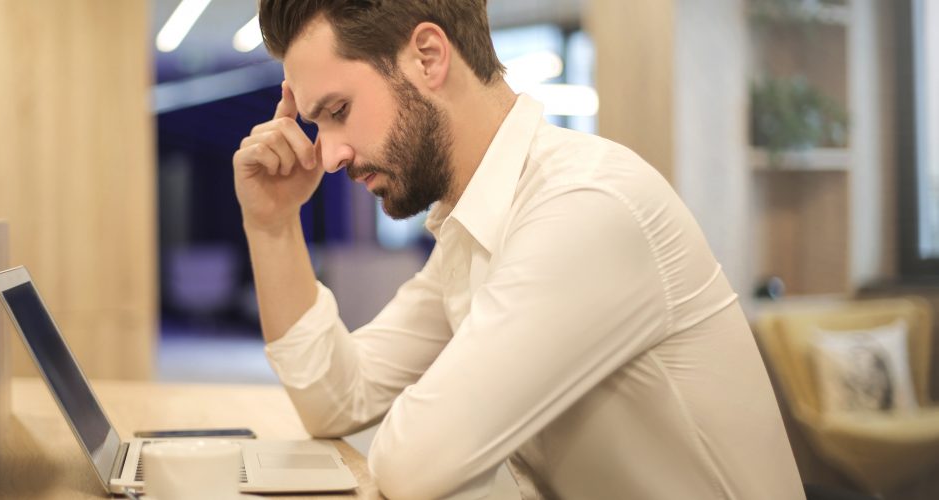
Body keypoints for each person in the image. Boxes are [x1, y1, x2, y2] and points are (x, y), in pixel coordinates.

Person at [231, 1, 804, 498]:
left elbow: (416, 465)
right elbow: (338, 401)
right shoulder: (474, 225)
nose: (328, 155)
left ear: (428, 56)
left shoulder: (586, 205)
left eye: (338, 112)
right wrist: (273, 224)